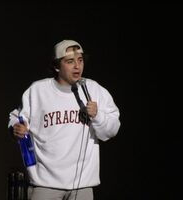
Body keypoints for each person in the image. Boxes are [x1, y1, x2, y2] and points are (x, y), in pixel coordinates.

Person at [8, 39, 121, 200]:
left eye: (80, 60)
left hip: (82, 187)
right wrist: (16, 128)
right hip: (45, 184)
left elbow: (112, 130)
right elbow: (15, 118)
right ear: (56, 66)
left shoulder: (93, 89)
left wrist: (97, 116)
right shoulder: (38, 91)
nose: (77, 66)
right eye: (70, 61)